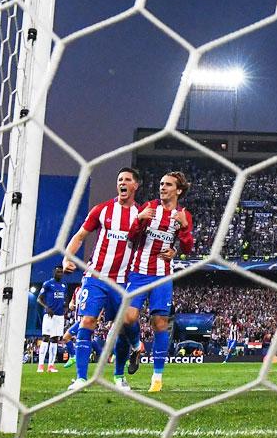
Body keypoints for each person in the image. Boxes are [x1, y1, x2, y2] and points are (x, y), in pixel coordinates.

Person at [62, 167, 142, 391]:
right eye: (119, 180)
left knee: (124, 327)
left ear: (135, 185)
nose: (122, 183)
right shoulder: (103, 210)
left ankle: (119, 376)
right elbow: (79, 236)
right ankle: (80, 378)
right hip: (96, 276)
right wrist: (67, 258)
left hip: (124, 280)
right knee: (87, 321)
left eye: (127, 180)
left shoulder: (142, 214)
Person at [115, 171, 194, 392]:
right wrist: (139, 220)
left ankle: (157, 378)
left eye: (168, 185)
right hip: (139, 272)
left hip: (162, 274)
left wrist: (183, 232)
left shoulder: (183, 215)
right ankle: (136, 345)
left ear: (178, 190)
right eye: (161, 184)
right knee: (128, 317)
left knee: (160, 324)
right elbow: (131, 237)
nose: (163, 187)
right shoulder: (149, 207)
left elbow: (187, 248)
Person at [36, 265, 67, 373]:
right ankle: (40, 366)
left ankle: (51, 366)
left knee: (55, 340)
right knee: (45, 338)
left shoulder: (63, 286)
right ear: (54, 272)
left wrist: (64, 307)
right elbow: (39, 299)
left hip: (59, 316)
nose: (59, 274)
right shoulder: (48, 284)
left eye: (61, 272)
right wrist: (46, 307)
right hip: (49, 315)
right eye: (58, 272)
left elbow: (62, 299)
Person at [62, 284, 82, 369]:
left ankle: (73, 357)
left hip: (83, 320)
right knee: (67, 338)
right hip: (77, 320)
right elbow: (72, 302)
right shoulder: (77, 289)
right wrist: (71, 304)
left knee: (67, 338)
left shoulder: (92, 290)